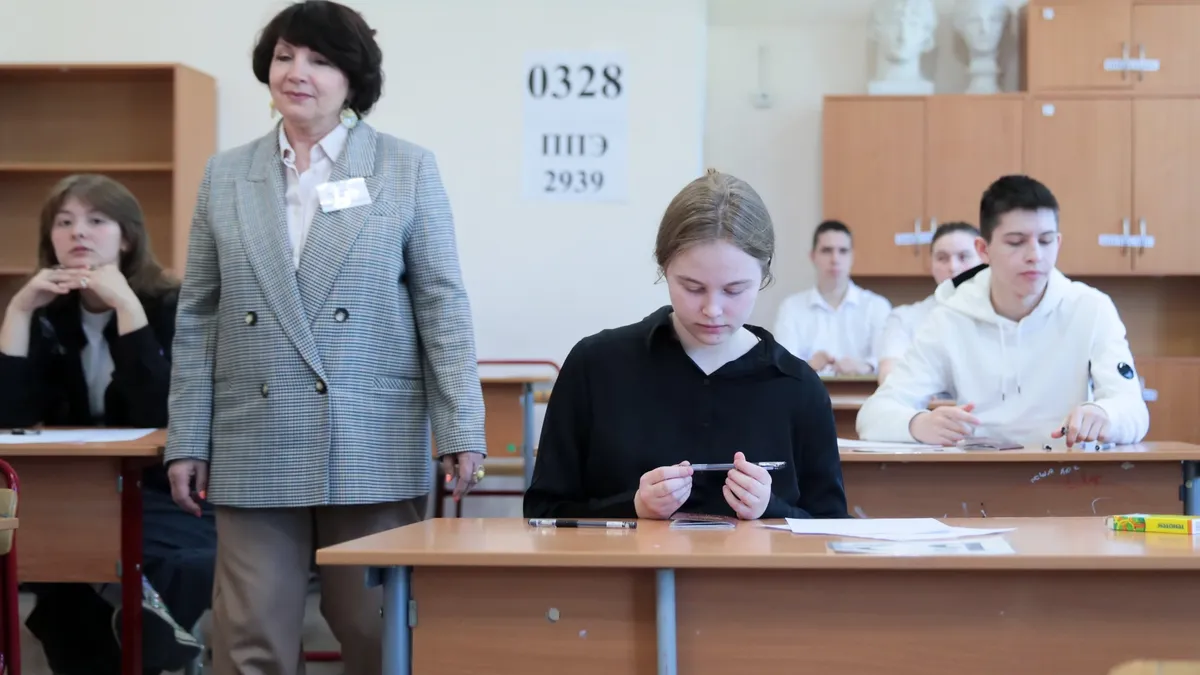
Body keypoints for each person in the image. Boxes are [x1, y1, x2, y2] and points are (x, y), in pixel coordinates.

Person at [164, 2, 488, 673]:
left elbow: (442, 305)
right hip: (254, 436)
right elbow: (198, 316)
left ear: (353, 78)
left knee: (375, 631)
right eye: (285, 56)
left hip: (371, 432)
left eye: (319, 59)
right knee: (248, 636)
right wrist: (187, 439)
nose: (297, 72)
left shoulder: (405, 167)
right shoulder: (226, 175)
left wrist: (461, 426)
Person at [523, 170, 848, 521]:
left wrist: (772, 509)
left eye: (734, 290)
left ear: (764, 273)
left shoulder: (798, 387)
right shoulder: (596, 367)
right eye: (692, 288)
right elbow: (543, 513)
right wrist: (633, 507)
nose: (712, 309)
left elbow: (830, 528)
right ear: (664, 267)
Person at [0, 174, 212, 675]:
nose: (78, 232)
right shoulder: (48, 312)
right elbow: (10, 418)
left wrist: (126, 306)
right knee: (57, 570)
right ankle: (141, 639)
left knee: (181, 558)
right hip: (69, 491)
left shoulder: (172, 304)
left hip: (159, 488)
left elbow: (162, 414)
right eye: (64, 222)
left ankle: (147, 642)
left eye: (96, 220)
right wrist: (19, 310)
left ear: (127, 238)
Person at [856, 175, 1150, 448]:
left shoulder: (1091, 308)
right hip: (982, 476)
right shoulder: (950, 317)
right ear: (983, 250)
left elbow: (1133, 410)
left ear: (1058, 243)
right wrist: (917, 423)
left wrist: (1105, 414)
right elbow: (874, 414)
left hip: (1071, 474)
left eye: (1046, 240)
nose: (1035, 255)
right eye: (1016, 242)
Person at [773, 220, 891, 376]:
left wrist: (865, 367)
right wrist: (808, 367)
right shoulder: (791, 308)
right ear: (813, 256)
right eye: (826, 250)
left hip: (863, 391)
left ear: (852, 257)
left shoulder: (877, 306)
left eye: (843, 251)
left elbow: (889, 361)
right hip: (807, 390)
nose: (835, 259)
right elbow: (782, 367)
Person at [877, 221, 982, 383]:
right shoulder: (904, 318)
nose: (953, 267)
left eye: (964, 257)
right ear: (931, 263)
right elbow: (890, 374)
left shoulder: (1007, 314)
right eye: (942, 258)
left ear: (984, 258)